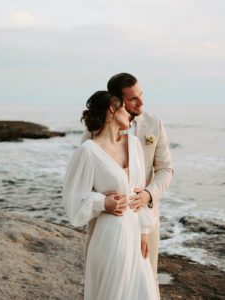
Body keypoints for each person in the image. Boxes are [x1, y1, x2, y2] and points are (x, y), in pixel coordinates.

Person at [80, 73, 175, 300]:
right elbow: (86, 176)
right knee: (101, 283)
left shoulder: (154, 124)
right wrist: (103, 202)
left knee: (144, 281)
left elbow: (165, 169)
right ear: (116, 102)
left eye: (140, 95)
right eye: (132, 99)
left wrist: (148, 194)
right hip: (107, 223)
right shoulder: (93, 134)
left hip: (144, 220)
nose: (140, 102)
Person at [62, 91, 159, 300]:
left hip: (136, 236)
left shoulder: (133, 145)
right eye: (124, 108)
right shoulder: (87, 151)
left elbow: (139, 190)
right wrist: (101, 202)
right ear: (112, 110)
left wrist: (143, 232)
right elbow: (73, 200)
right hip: (111, 237)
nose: (129, 113)